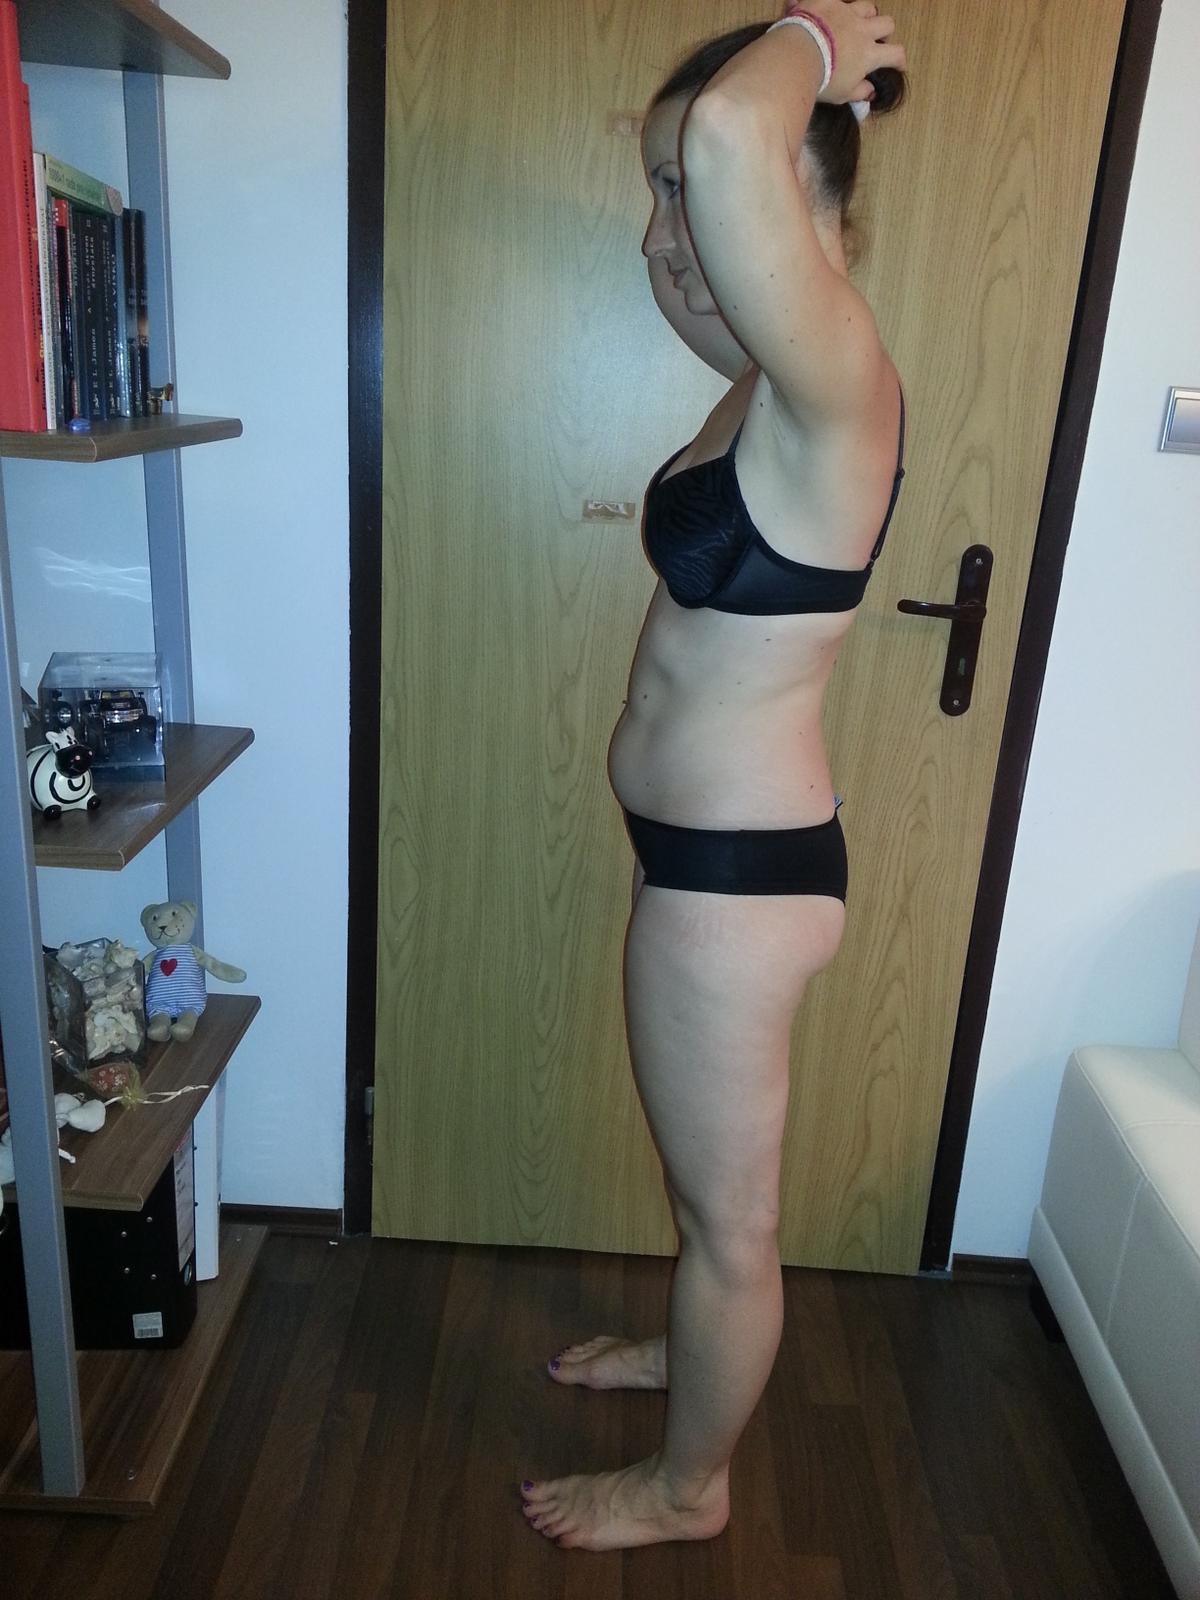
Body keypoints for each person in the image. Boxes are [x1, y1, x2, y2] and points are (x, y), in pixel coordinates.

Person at [520, 0, 909, 1553]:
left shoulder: (840, 374)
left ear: (794, 184)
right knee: (709, 1205)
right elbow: (711, 251)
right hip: (712, 865)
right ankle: (693, 1355)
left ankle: (691, 1490)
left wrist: (814, 35)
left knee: (734, 1226)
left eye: (682, 190)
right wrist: (695, 236)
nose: (656, 233)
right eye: (655, 192)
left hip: (733, 892)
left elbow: (748, 129)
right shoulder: (769, 371)